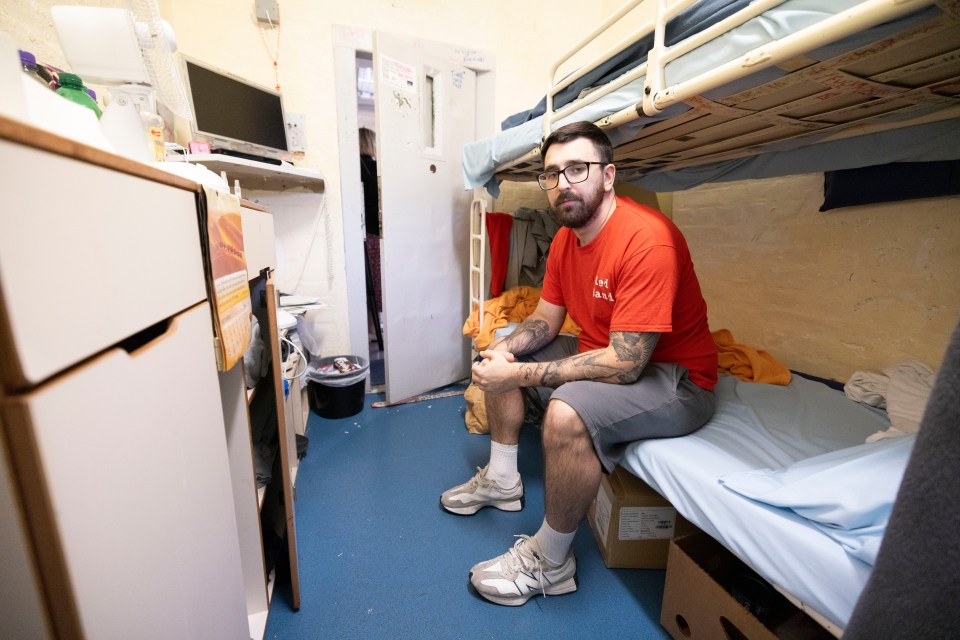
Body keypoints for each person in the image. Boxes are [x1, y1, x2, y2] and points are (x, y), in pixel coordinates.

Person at [440, 121, 718, 606]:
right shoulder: (568, 239)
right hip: (610, 352)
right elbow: (547, 319)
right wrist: (508, 351)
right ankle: (504, 480)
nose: (563, 182)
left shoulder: (647, 240)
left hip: (677, 379)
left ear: (608, 176)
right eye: (552, 174)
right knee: (504, 344)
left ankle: (553, 563)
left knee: (565, 411)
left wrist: (519, 374)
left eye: (577, 169)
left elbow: (626, 364)